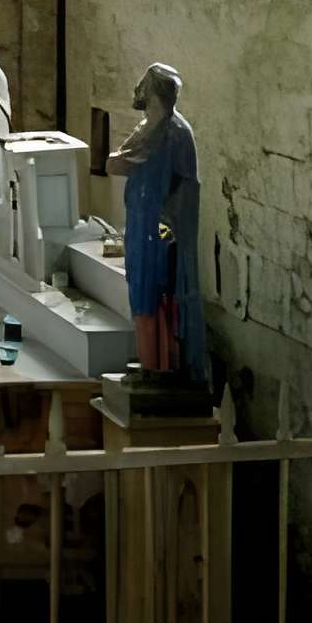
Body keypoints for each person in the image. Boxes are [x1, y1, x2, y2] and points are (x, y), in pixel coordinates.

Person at [109, 63, 209, 385]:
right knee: (141, 296)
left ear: (154, 94)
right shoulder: (149, 127)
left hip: (161, 231)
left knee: (158, 298)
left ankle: (160, 369)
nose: (139, 94)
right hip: (142, 226)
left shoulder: (172, 131)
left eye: (145, 89)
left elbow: (179, 184)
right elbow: (116, 163)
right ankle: (151, 365)